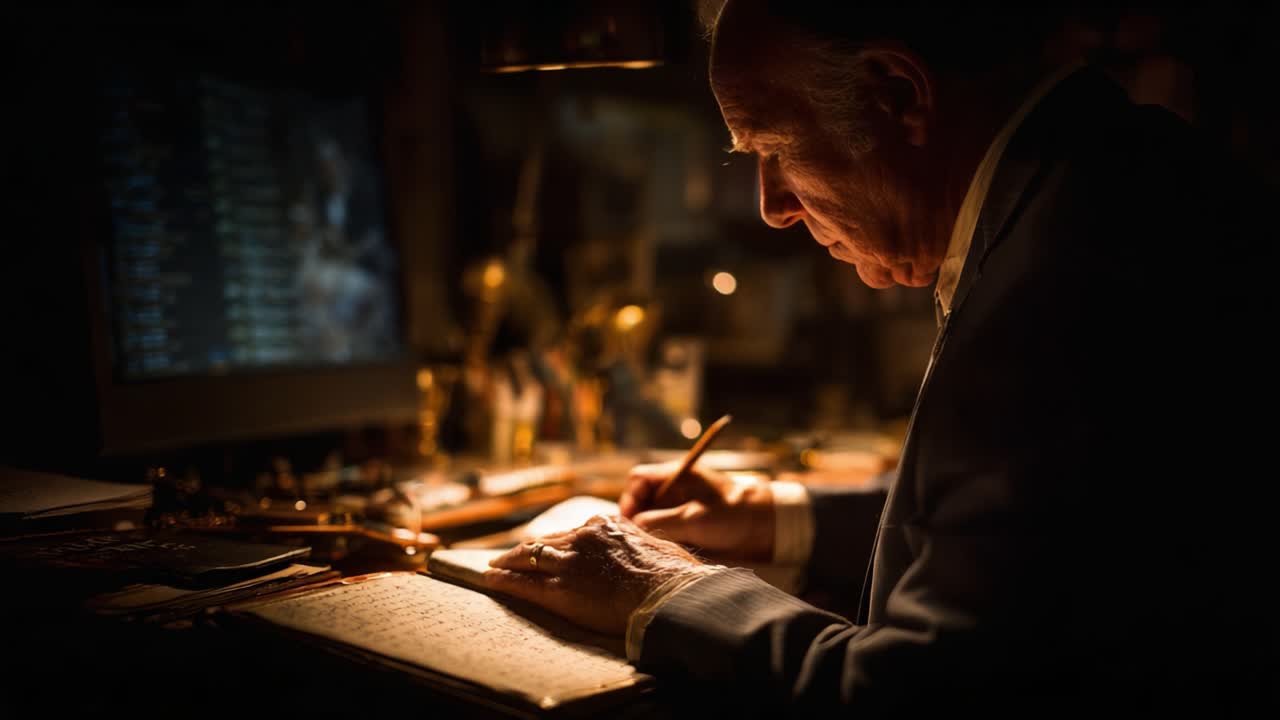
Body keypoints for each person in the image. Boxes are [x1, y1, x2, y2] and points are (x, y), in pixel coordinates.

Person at [483, 1, 1276, 714]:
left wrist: (664, 591)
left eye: (775, 147)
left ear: (898, 94)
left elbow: (913, 693)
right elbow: (1035, 531)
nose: (772, 208)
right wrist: (781, 518)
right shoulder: (1103, 179)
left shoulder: (1060, 283)